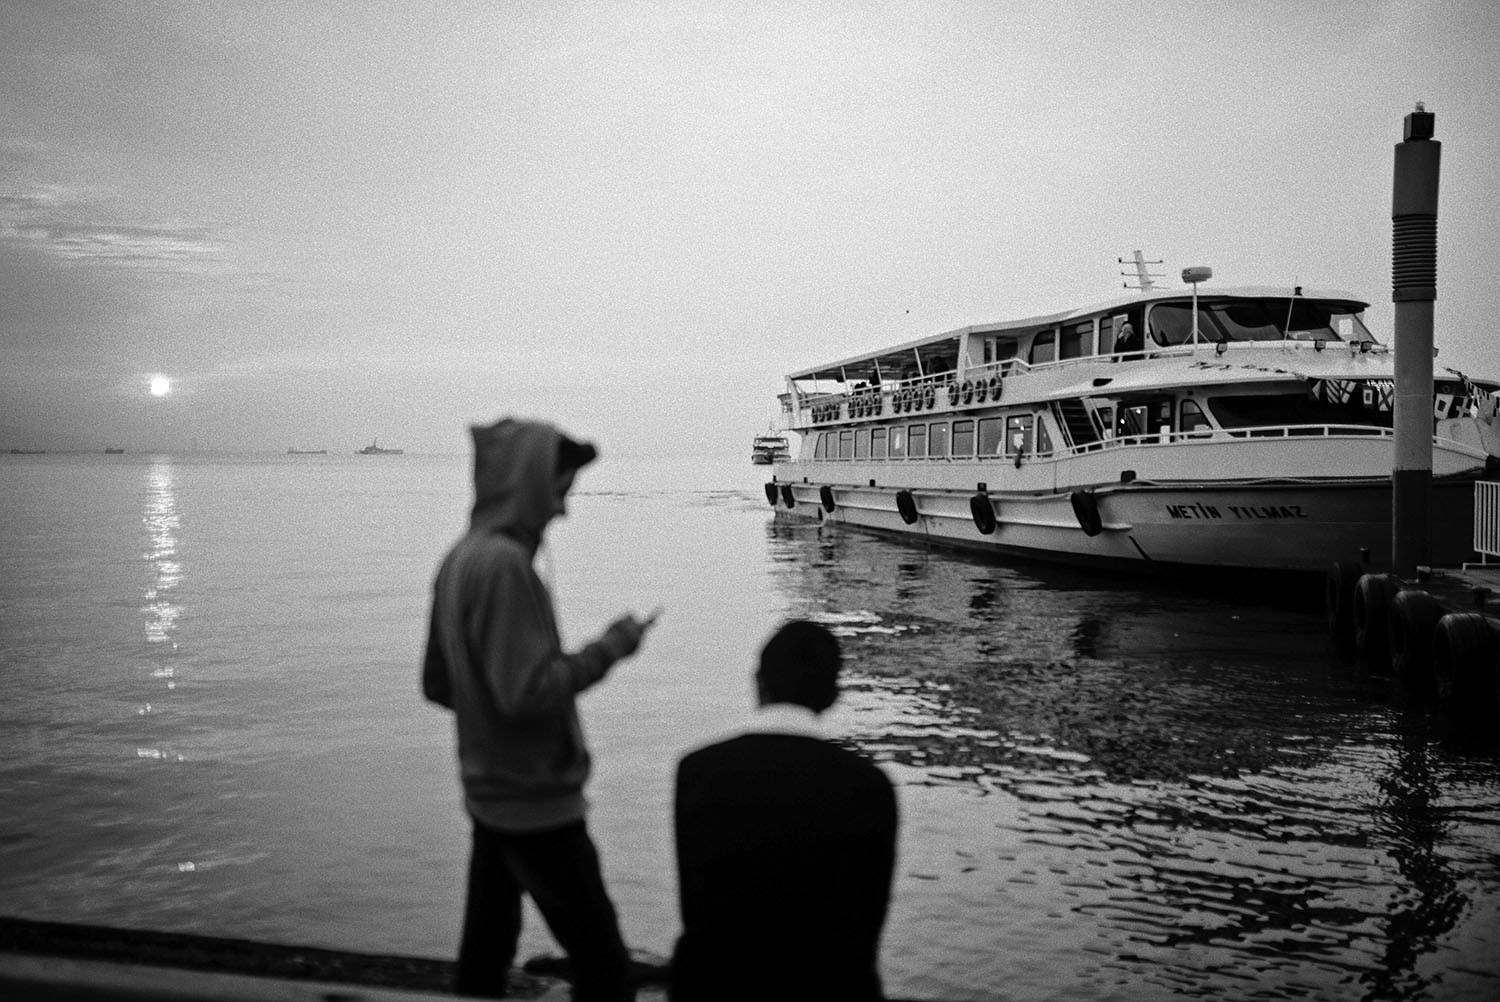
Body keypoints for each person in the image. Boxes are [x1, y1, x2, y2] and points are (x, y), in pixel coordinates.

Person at [422, 417, 657, 1001]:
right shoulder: (504, 568)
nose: (562, 510)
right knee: (603, 965)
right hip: (535, 805)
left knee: (484, 955)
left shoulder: (459, 559)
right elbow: (525, 694)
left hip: (489, 793)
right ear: (527, 485)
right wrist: (613, 646)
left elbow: (437, 685)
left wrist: (486, 720)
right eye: (558, 491)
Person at [670, 620, 898, 1002]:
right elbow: (869, 921)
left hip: (714, 986)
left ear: (759, 683)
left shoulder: (697, 772)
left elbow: (696, 906)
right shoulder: (870, 786)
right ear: (832, 696)